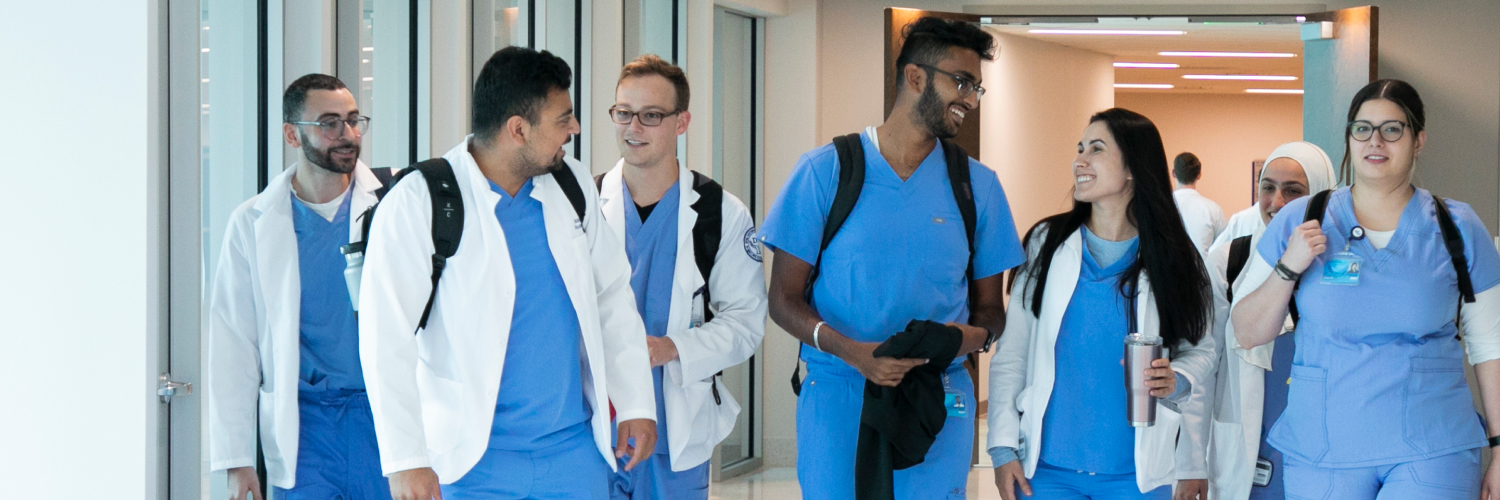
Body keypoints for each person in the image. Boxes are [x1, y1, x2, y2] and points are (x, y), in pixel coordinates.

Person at [358, 47, 657, 500]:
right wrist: (406, 460)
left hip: (574, 456)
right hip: (472, 464)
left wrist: (634, 399)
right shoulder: (421, 201)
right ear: (518, 129)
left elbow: (611, 297)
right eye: (563, 119)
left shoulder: (570, 185)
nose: (574, 129)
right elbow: (386, 338)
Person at [760, 16, 1025, 500]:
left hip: (938, 398)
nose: (970, 98)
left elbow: (991, 311)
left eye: (977, 88)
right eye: (961, 82)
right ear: (916, 77)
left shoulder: (978, 188)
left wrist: (965, 338)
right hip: (839, 393)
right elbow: (782, 299)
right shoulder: (826, 171)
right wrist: (853, 352)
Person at [1232, 79, 1500, 500]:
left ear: (1418, 140)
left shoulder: (1458, 227)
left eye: (1392, 129)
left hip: (1431, 445)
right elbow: (1246, 333)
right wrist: (1288, 267)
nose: (1375, 140)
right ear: (1349, 138)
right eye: (1363, 128)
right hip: (1323, 447)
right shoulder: (1302, 219)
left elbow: (1490, 346)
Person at [988, 108, 1217, 500]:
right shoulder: (1046, 242)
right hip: (1046, 472)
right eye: (1079, 148)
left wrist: (1177, 379)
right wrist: (1001, 446)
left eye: (1096, 149)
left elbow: (1202, 348)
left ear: (1133, 168)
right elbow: (1013, 354)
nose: (1080, 160)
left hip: (1138, 476)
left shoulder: (1175, 256)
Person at [207, 73, 389, 500]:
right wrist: (237, 461)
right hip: (305, 430)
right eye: (329, 123)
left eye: (352, 120)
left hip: (382, 420)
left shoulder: (393, 207)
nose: (347, 135)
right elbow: (234, 345)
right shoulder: (252, 222)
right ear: (292, 134)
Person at [595, 54, 768, 500]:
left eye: (651, 116)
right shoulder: (583, 205)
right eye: (623, 113)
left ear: (682, 122)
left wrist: (672, 347)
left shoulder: (721, 213)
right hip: (593, 426)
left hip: (677, 426)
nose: (633, 128)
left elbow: (746, 323)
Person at [1203, 141, 1335, 500]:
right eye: (1267, 187)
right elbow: (1204, 362)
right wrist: (1191, 462)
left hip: (1324, 434)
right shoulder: (1229, 261)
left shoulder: (1343, 265)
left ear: (1322, 195)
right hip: (1252, 434)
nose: (1276, 202)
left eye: (1293, 191)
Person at [1172, 152, 1227, 255]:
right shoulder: (1213, 210)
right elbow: (1223, 250)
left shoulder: (1158, 208)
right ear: (1199, 175)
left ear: (1173, 173)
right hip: (1204, 270)